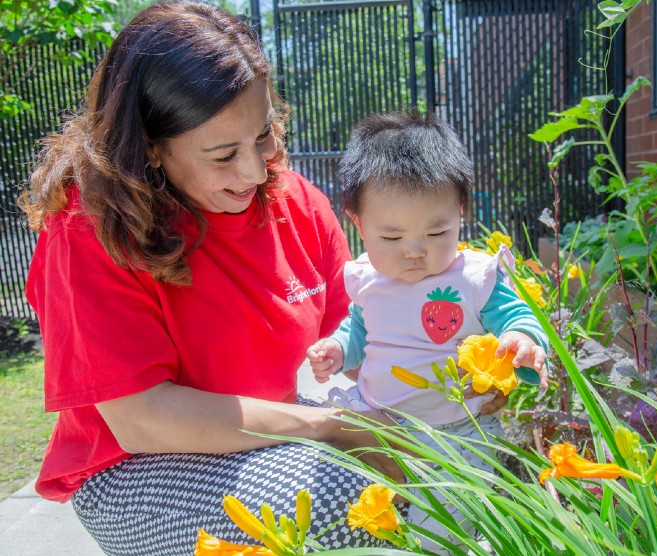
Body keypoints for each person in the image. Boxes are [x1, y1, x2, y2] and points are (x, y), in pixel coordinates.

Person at [19, 2, 405, 554]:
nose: (254, 171)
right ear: (150, 147)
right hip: (132, 469)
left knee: (436, 463)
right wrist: (333, 426)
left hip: (264, 435)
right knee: (342, 499)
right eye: (224, 155)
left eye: (262, 135)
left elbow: (368, 332)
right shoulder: (88, 226)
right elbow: (144, 420)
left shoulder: (294, 199)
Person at [306, 110, 549, 548]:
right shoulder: (366, 279)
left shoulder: (475, 278)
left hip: (456, 429)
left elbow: (517, 316)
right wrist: (338, 350)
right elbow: (358, 332)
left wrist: (524, 341)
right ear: (357, 223)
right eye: (392, 239)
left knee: (446, 526)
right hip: (376, 420)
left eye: (438, 232)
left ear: (461, 212)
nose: (414, 253)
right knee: (357, 507)